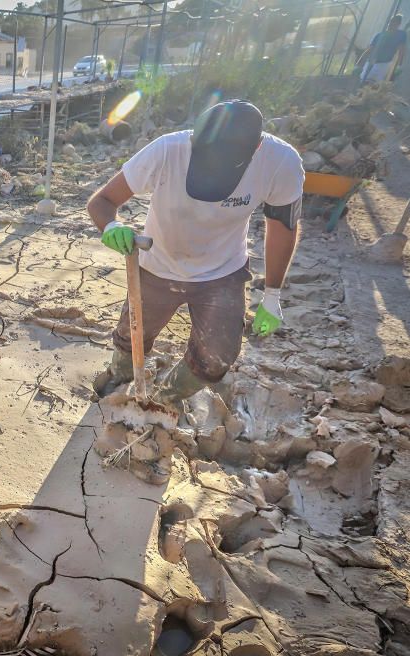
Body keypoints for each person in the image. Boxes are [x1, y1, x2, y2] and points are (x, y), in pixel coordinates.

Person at [87, 100, 304, 410]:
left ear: (256, 149)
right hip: (157, 264)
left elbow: (283, 227)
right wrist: (110, 226)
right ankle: (119, 380)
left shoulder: (280, 163)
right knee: (130, 335)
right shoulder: (167, 151)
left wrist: (272, 295)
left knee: (217, 357)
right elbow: (103, 200)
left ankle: (164, 399)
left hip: (222, 272)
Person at [357, 14, 407, 83]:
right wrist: (359, 64)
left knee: (375, 86)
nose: (391, 24)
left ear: (398, 24)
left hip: (384, 64)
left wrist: (399, 65)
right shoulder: (379, 35)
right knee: (363, 83)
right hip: (370, 63)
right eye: (390, 22)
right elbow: (369, 49)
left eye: (394, 23)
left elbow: (401, 50)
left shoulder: (401, 35)